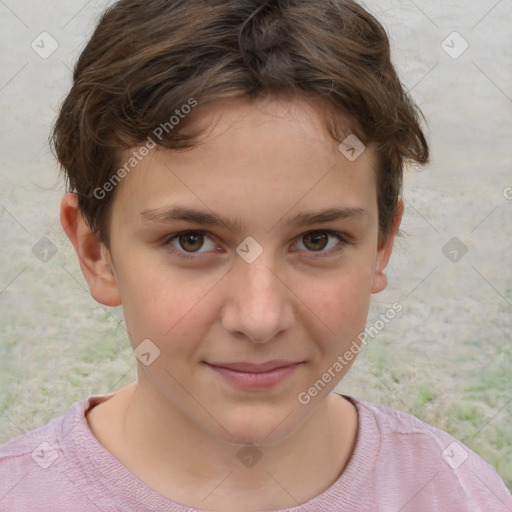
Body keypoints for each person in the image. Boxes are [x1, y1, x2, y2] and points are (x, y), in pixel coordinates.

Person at [1, 0, 511, 510]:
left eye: (318, 239)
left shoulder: (459, 493)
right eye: (192, 240)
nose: (260, 318)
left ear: (382, 245)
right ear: (96, 254)